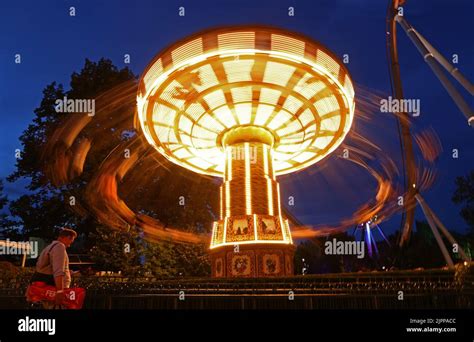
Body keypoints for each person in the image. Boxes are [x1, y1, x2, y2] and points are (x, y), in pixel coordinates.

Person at [30, 228, 77, 306]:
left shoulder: (50, 247)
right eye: (70, 241)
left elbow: (49, 267)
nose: (69, 245)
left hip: (46, 287)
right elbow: (58, 271)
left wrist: (68, 273)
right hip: (53, 290)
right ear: (67, 237)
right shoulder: (59, 247)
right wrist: (60, 292)